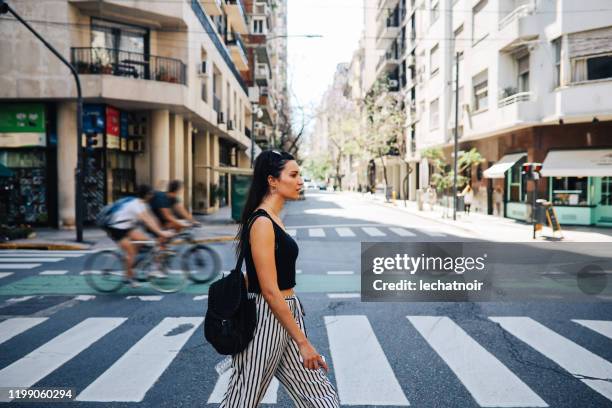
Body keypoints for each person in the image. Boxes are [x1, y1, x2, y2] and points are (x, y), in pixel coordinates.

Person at [220, 150, 340, 408]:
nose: (300, 181)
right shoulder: (262, 222)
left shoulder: (274, 219)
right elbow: (270, 290)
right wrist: (304, 342)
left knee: (320, 396)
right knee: (242, 400)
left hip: (285, 312)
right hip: (267, 317)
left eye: (300, 175)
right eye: (293, 175)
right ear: (272, 180)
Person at [105, 184, 174, 287]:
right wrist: (162, 233)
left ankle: (133, 263)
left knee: (146, 240)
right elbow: (147, 221)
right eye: (151, 193)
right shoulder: (136, 205)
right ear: (147, 195)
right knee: (131, 251)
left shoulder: (142, 204)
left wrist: (160, 231)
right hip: (116, 228)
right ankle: (128, 277)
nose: (152, 195)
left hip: (127, 227)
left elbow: (151, 219)